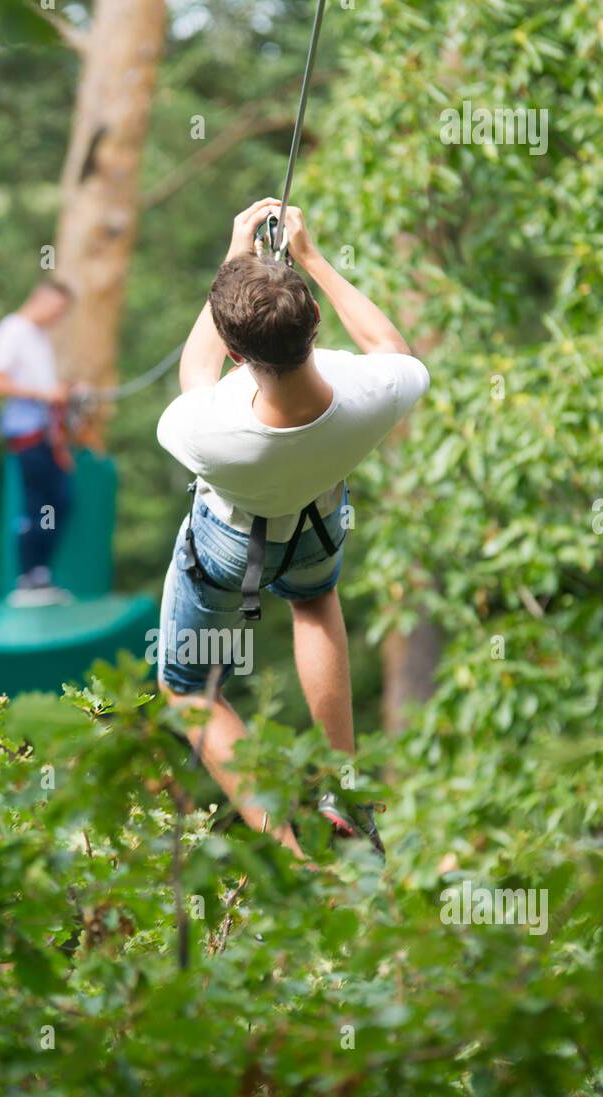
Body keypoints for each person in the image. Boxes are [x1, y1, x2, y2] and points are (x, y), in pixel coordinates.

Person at [155, 197, 430, 858]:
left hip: (226, 543)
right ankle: (343, 787)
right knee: (312, 603)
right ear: (311, 321)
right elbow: (389, 345)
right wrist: (311, 258)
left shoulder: (206, 428)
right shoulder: (373, 391)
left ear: (233, 347)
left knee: (188, 690)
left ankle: (287, 848)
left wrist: (232, 258)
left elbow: (197, 370)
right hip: (316, 525)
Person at [0, 279, 76, 605]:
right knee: (38, 504)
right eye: (57, 310)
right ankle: (29, 578)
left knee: (60, 500)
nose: (58, 317)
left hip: (46, 433)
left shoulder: (38, 337)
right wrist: (45, 393)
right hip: (25, 432)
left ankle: (39, 575)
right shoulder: (12, 330)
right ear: (41, 299)